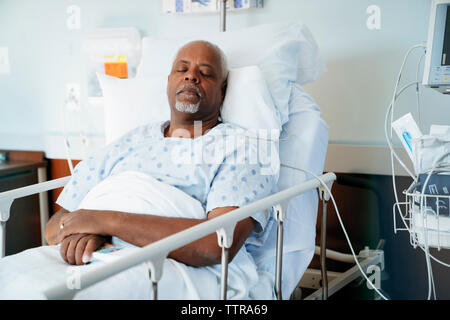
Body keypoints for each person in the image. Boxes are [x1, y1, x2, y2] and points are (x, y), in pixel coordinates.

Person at [0, 40, 279, 299]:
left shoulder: (242, 149)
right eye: (182, 69)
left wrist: (102, 221)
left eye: (206, 73)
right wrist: (88, 233)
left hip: (168, 264)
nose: (191, 76)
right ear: (168, 82)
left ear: (222, 91)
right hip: (92, 253)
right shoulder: (128, 141)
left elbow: (217, 244)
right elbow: (55, 226)